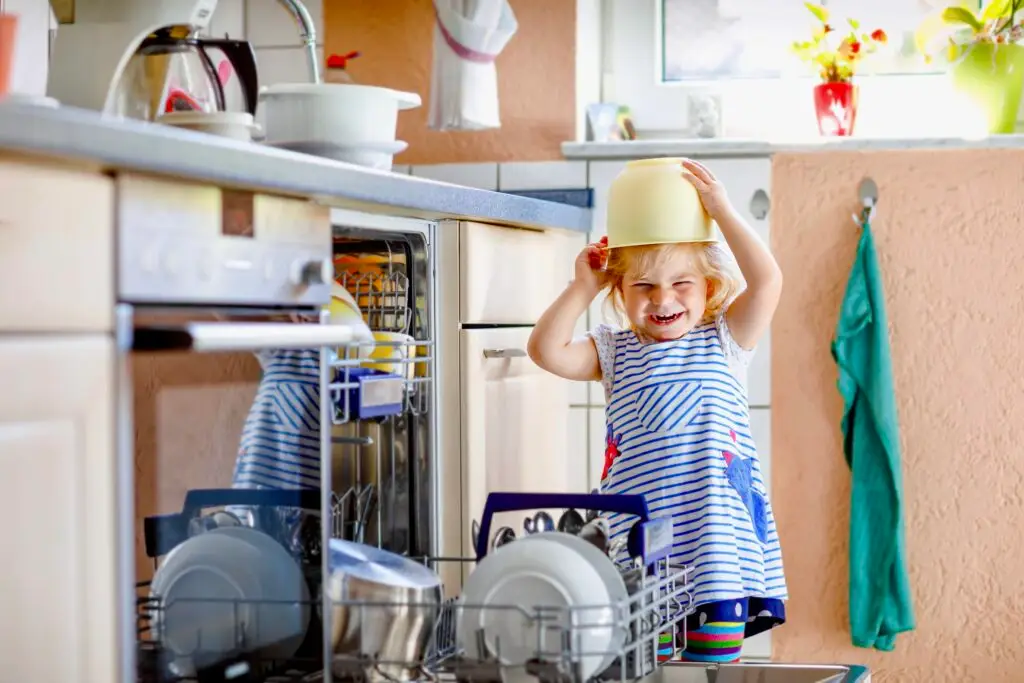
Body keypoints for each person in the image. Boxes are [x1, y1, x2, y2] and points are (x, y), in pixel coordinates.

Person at [526, 158, 787, 663]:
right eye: (642, 286)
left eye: (681, 282)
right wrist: (582, 287)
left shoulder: (725, 339)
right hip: (641, 558)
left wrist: (723, 211)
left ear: (709, 288)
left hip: (717, 557)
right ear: (620, 294)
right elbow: (546, 350)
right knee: (650, 669)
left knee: (709, 670)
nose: (662, 298)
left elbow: (769, 281)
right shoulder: (614, 350)